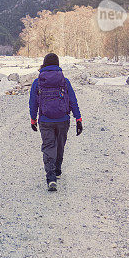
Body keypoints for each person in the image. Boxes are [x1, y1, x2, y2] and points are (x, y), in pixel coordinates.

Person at [29, 53, 82, 191]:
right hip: (63, 120)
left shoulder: (37, 82)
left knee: (48, 146)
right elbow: (73, 101)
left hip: (45, 120)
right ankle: (57, 170)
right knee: (60, 145)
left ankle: (51, 177)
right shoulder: (64, 81)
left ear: (44, 64)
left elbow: (33, 103)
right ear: (57, 65)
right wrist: (78, 119)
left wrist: (33, 119)